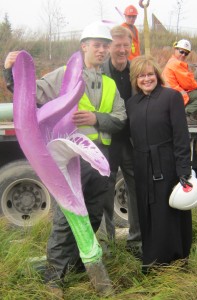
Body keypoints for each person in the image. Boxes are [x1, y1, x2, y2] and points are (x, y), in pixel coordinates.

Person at [3, 22, 127, 297]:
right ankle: (54, 279)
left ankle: (77, 267)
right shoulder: (63, 75)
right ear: (84, 46)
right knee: (64, 220)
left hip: (99, 160)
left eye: (105, 45)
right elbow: (29, 93)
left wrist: (97, 119)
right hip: (69, 161)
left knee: (93, 217)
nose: (102, 50)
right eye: (97, 45)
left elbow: (120, 118)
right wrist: (9, 71)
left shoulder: (109, 84)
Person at [126, 55, 193, 273]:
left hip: (167, 164)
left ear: (157, 74)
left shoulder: (171, 97)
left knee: (168, 213)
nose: (146, 79)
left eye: (150, 74)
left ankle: (174, 261)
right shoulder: (131, 104)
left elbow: (181, 137)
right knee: (147, 214)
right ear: (135, 80)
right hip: (141, 165)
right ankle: (152, 260)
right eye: (141, 75)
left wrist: (184, 171)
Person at [101, 25, 141, 256]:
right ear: (109, 47)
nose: (123, 50)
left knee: (136, 190)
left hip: (131, 141)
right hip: (107, 141)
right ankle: (108, 245)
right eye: (118, 45)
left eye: (127, 45)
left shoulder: (136, 71)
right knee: (105, 191)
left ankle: (136, 242)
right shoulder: (100, 73)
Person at [162, 39, 197, 125]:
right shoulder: (177, 64)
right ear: (175, 49)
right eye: (181, 52)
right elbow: (188, 83)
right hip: (176, 95)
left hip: (171, 95)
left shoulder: (171, 62)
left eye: (186, 53)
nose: (183, 55)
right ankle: (186, 113)